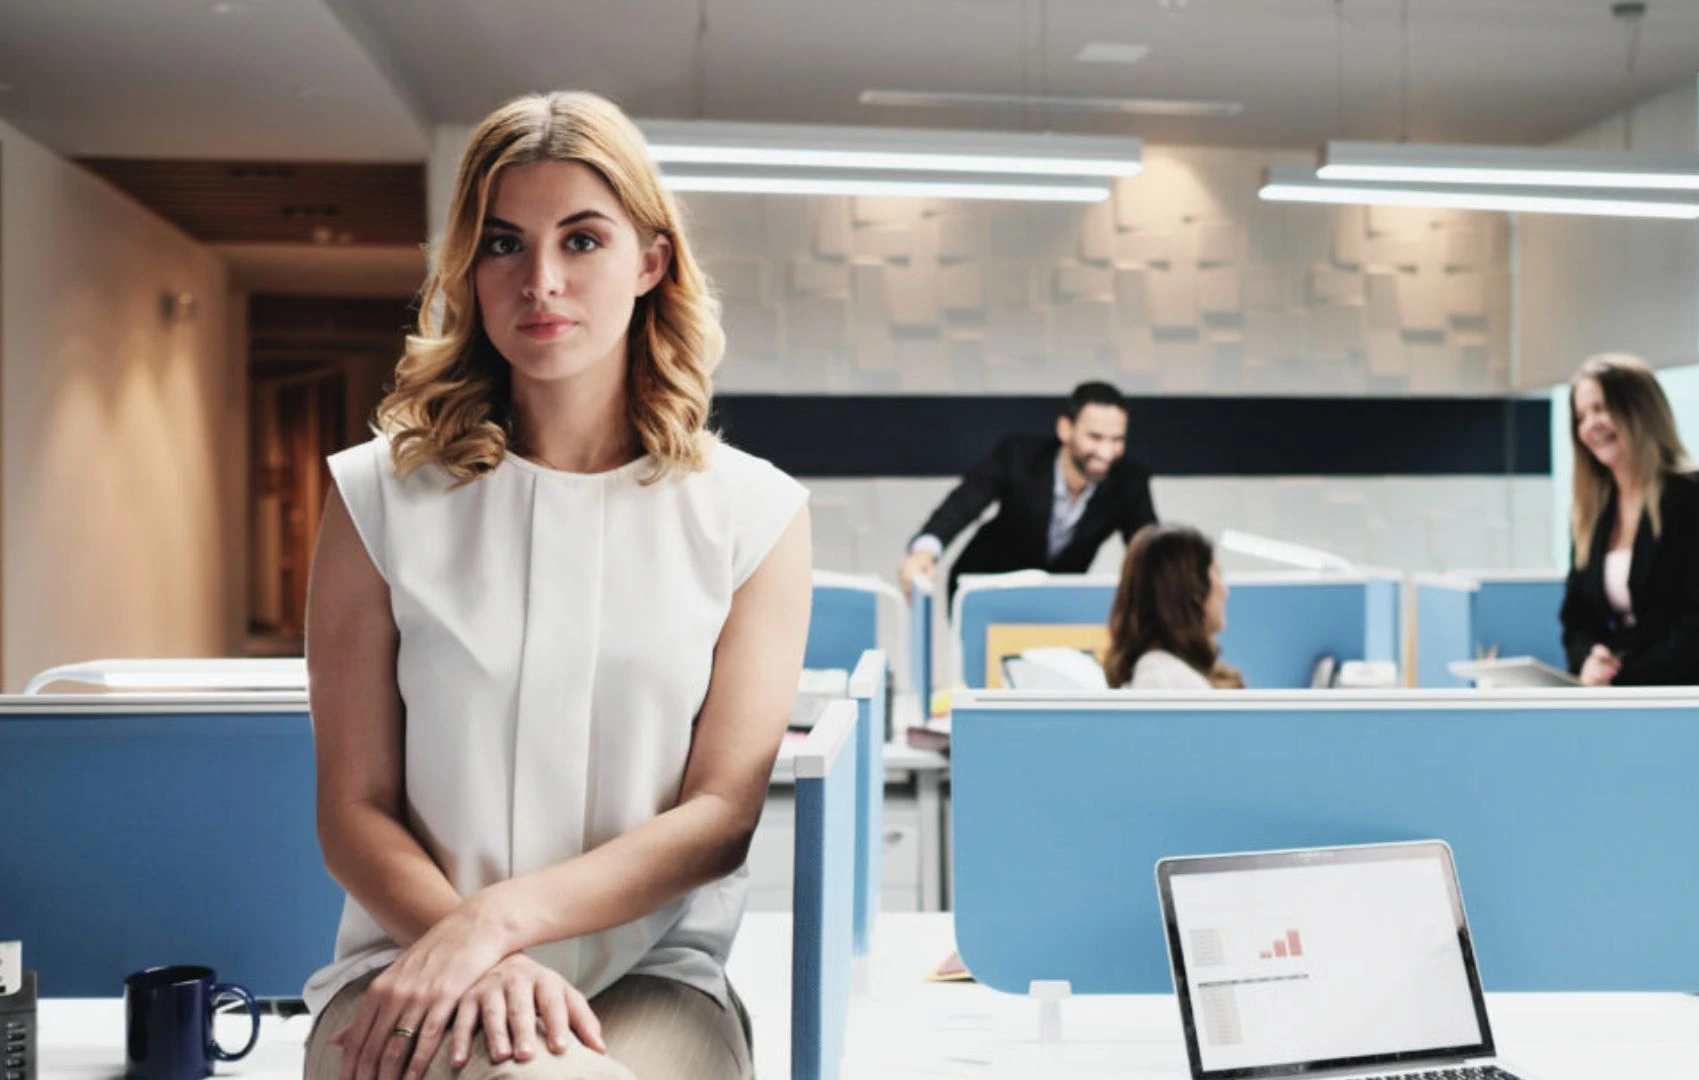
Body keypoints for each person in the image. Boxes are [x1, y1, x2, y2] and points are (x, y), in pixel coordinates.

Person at [300, 91, 811, 1080]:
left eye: (582, 241)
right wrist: (472, 947)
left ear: (650, 262)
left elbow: (719, 816)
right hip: (414, 965)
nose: (540, 280)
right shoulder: (374, 498)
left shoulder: (755, 514)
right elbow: (352, 807)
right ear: (468, 267)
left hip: (653, 981)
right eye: (503, 244)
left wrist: (503, 921)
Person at [1558, 353, 1699, 687]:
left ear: (1642, 411)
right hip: (1641, 690)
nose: (1591, 425)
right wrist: (1590, 659)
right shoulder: (1592, 511)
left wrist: (1626, 682)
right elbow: (1577, 616)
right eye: (1581, 416)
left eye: (1602, 408)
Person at [895, 381, 1156, 601]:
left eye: (1117, 439)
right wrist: (925, 551)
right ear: (1065, 429)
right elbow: (964, 502)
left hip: (1054, 598)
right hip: (988, 587)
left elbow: (1148, 543)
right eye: (1096, 437)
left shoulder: (1129, 481)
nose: (1107, 452)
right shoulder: (1019, 456)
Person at [1103, 525, 1244, 690]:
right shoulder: (1163, 680)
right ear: (1192, 590)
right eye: (1217, 574)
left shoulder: (1169, 672)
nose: (1224, 591)